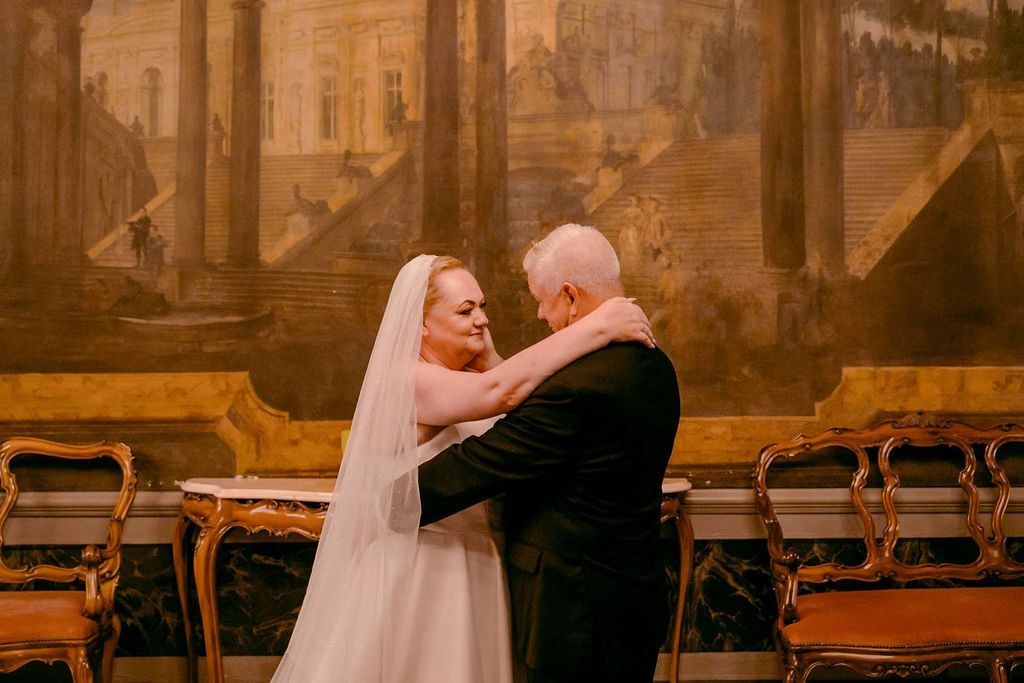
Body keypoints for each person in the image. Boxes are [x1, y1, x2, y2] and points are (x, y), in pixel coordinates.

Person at [271, 253, 655, 683]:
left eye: (483, 307)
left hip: (476, 561)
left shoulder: (469, 379)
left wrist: (492, 362)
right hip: (422, 569)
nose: (481, 320)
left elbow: (525, 400)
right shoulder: (407, 380)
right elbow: (502, 393)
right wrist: (598, 326)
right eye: (465, 310)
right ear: (421, 324)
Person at [418, 224, 680, 683]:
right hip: (632, 598)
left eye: (542, 299)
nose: (540, 314)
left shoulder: (575, 389)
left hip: (576, 613)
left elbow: (480, 464)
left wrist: (385, 498)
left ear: (571, 296)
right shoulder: (654, 364)